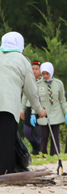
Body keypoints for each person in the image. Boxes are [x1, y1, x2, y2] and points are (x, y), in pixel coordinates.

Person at [0, 32, 46, 174]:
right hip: (7, 106)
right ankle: (5, 171)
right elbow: (31, 90)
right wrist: (39, 110)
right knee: (6, 140)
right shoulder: (22, 60)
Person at [34, 62, 67, 156]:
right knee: (44, 136)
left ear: (51, 72)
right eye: (43, 74)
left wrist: (66, 112)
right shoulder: (38, 84)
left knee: (55, 137)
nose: (45, 76)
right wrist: (33, 114)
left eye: (47, 73)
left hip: (56, 113)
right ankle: (43, 155)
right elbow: (35, 101)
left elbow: (62, 100)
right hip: (43, 114)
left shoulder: (59, 84)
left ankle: (55, 155)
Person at [19, 60, 43, 155]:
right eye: (32, 69)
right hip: (29, 108)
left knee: (40, 132)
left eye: (36, 69)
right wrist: (22, 109)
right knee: (27, 132)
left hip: (40, 109)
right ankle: (35, 147)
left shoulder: (43, 82)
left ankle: (41, 150)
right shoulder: (29, 80)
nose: (34, 71)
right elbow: (25, 95)